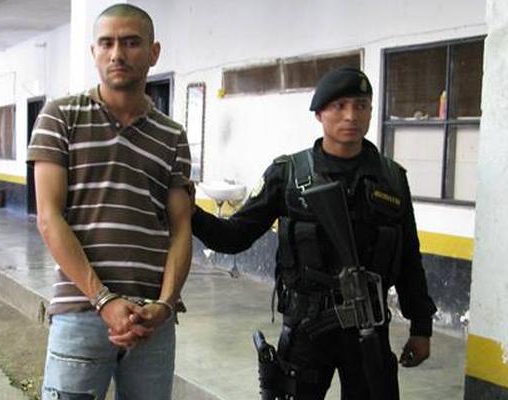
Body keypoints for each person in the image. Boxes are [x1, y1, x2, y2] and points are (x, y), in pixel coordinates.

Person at [192, 67, 437, 399]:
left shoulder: (391, 178)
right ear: (319, 113)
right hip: (307, 329)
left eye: (361, 106)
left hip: (369, 328)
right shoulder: (289, 175)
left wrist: (421, 327)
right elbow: (234, 237)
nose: (351, 116)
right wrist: (190, 213)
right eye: (339, 106)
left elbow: (408, 256)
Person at [27, 4, 192, 399]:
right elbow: (49, 217)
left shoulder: (172, 135)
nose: (117, 53)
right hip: (81, 312)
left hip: (151, 322)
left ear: (153, 52)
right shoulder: (61, 117)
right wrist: (104, 300)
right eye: (107, 43)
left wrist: (165, 305)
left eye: (131, 42)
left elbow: (181, 229)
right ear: (94, 52)